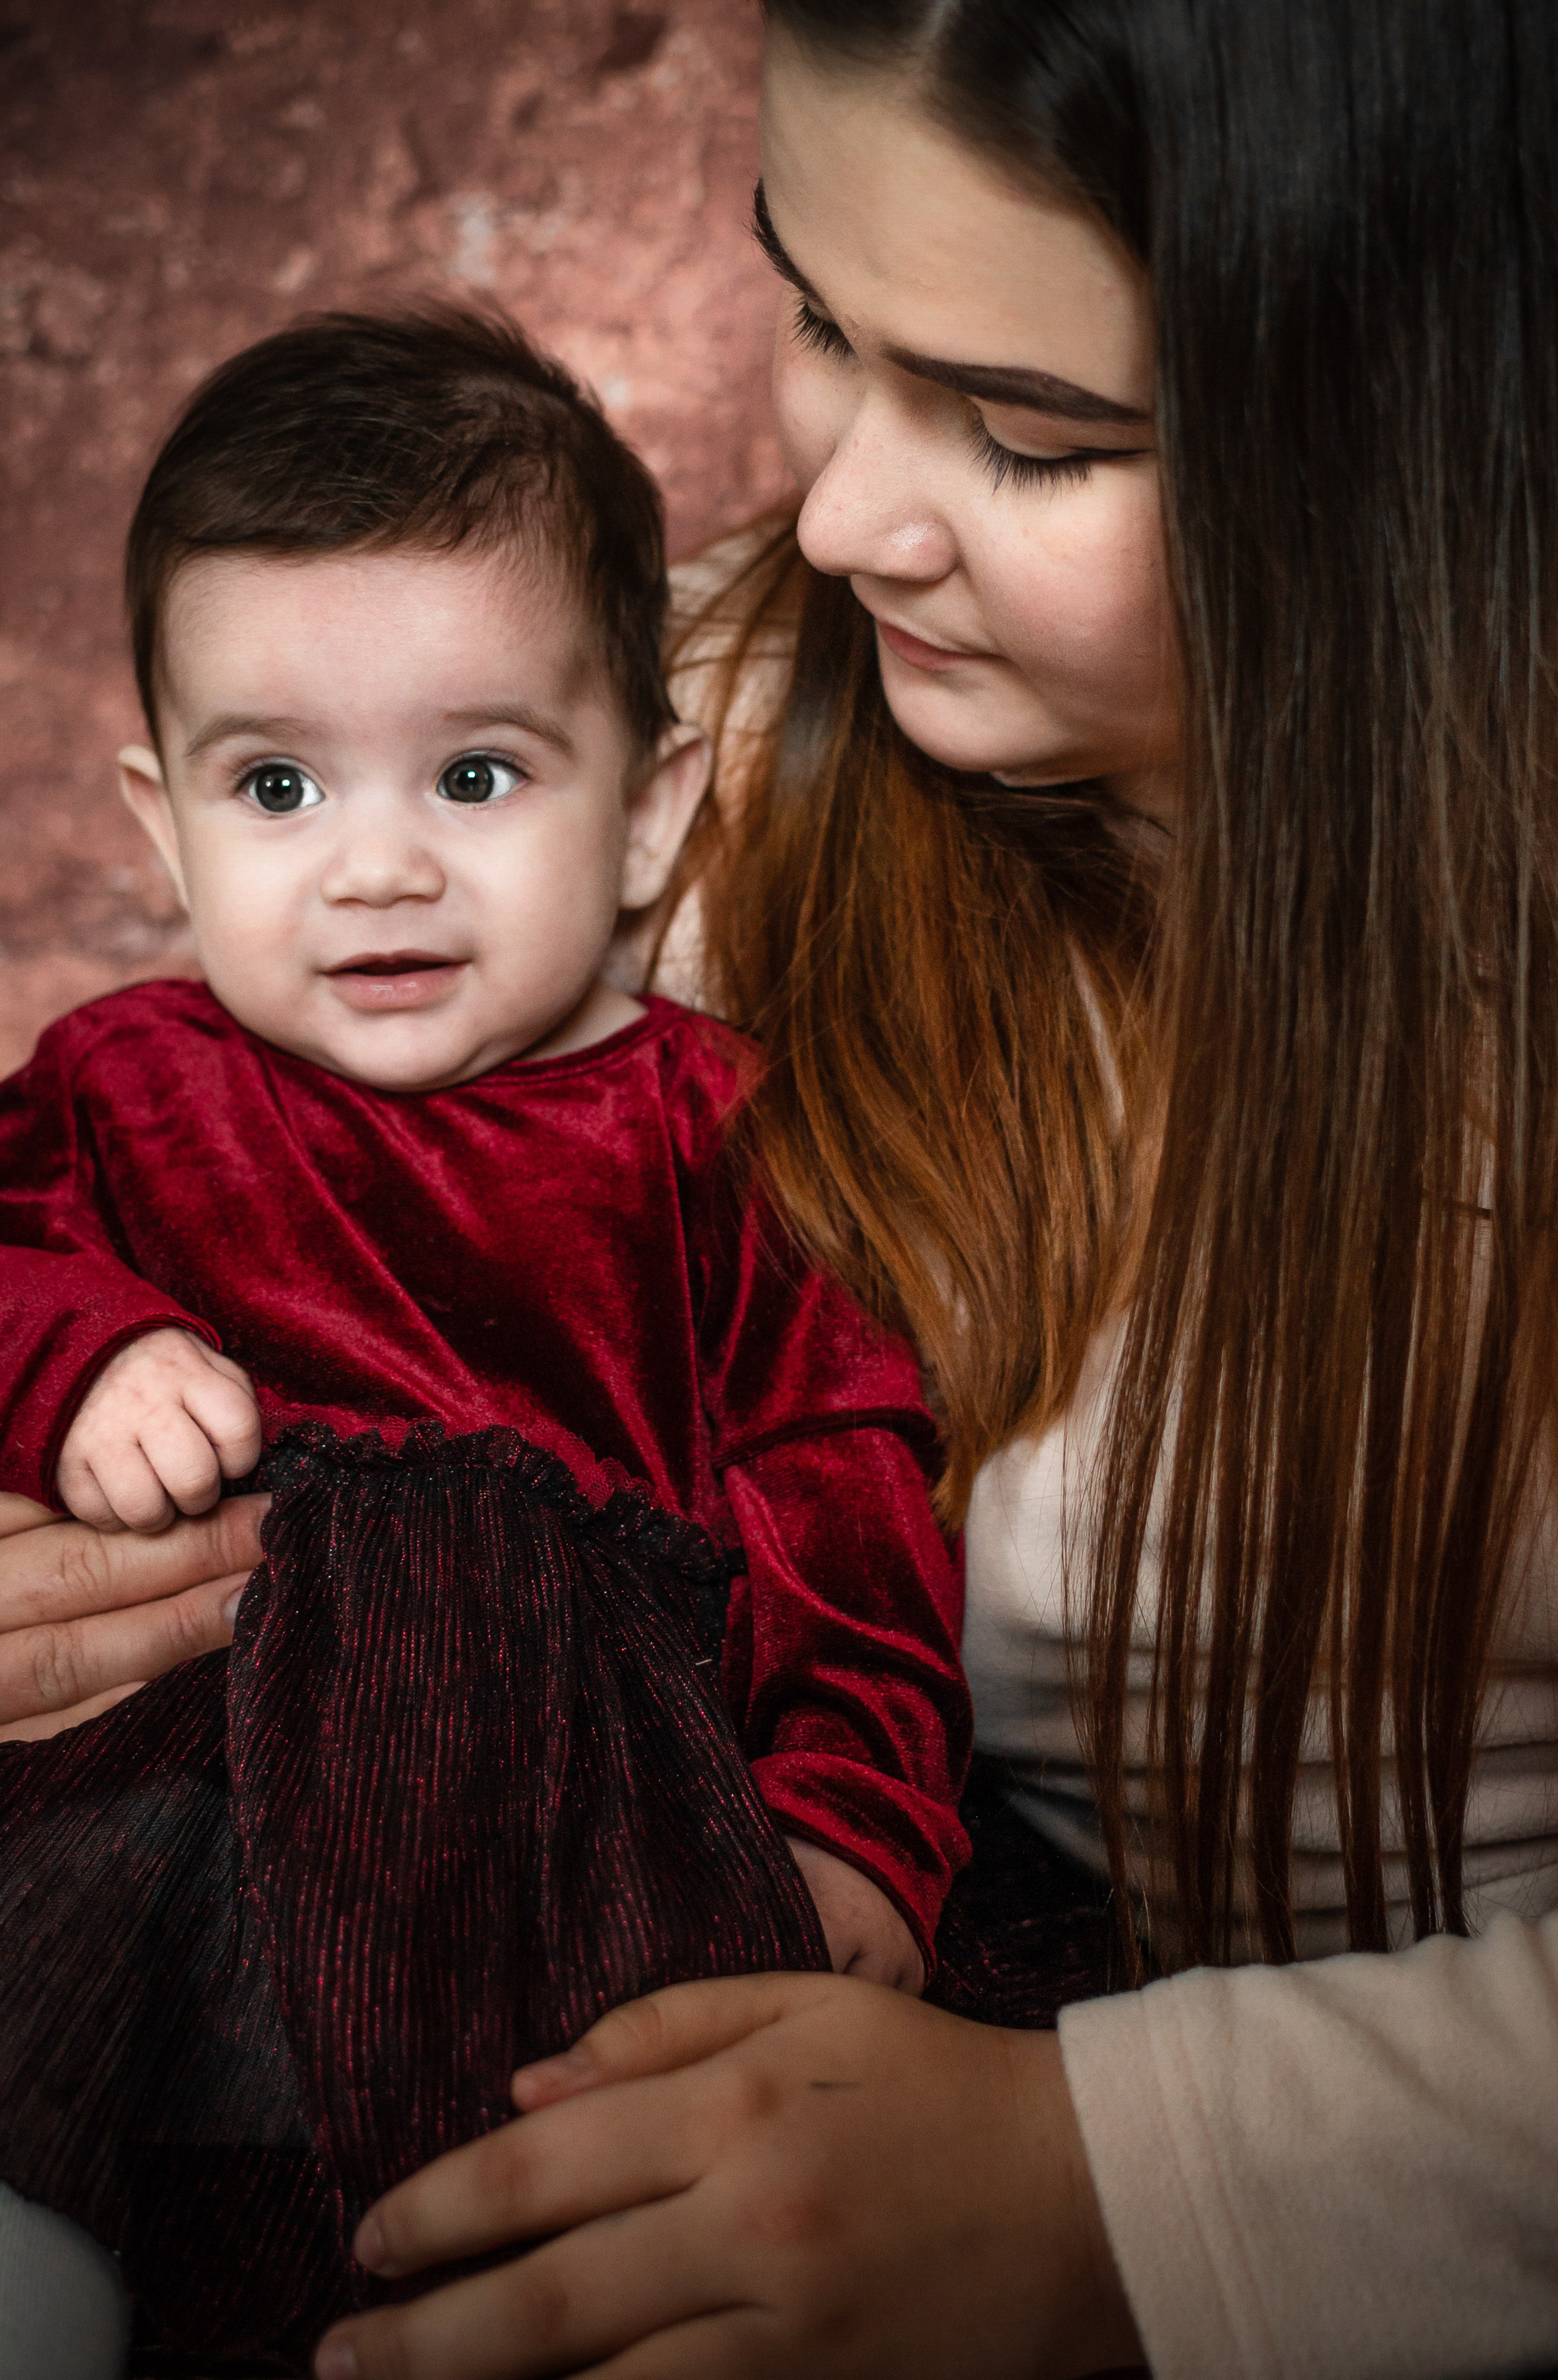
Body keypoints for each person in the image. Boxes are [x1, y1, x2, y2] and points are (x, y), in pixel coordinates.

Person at [283, 2, 1558, 2376]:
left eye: (1030, 433)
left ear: (1444, 419)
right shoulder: (671, 755)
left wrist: (1108, 2189)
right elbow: (258, 1212)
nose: (849, 516)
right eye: (810, 314)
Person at [0, 304, 975, 2367]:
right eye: (274, 783)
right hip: (181, 1779)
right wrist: (76, 1353)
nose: (377, 865)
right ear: (161, 825)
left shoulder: (724, 1131)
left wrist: (853, 1811)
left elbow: (840, 1473)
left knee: (587, 2210)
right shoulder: (117, 1088)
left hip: (582, 1793)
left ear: (645, 812)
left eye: (474, 771)